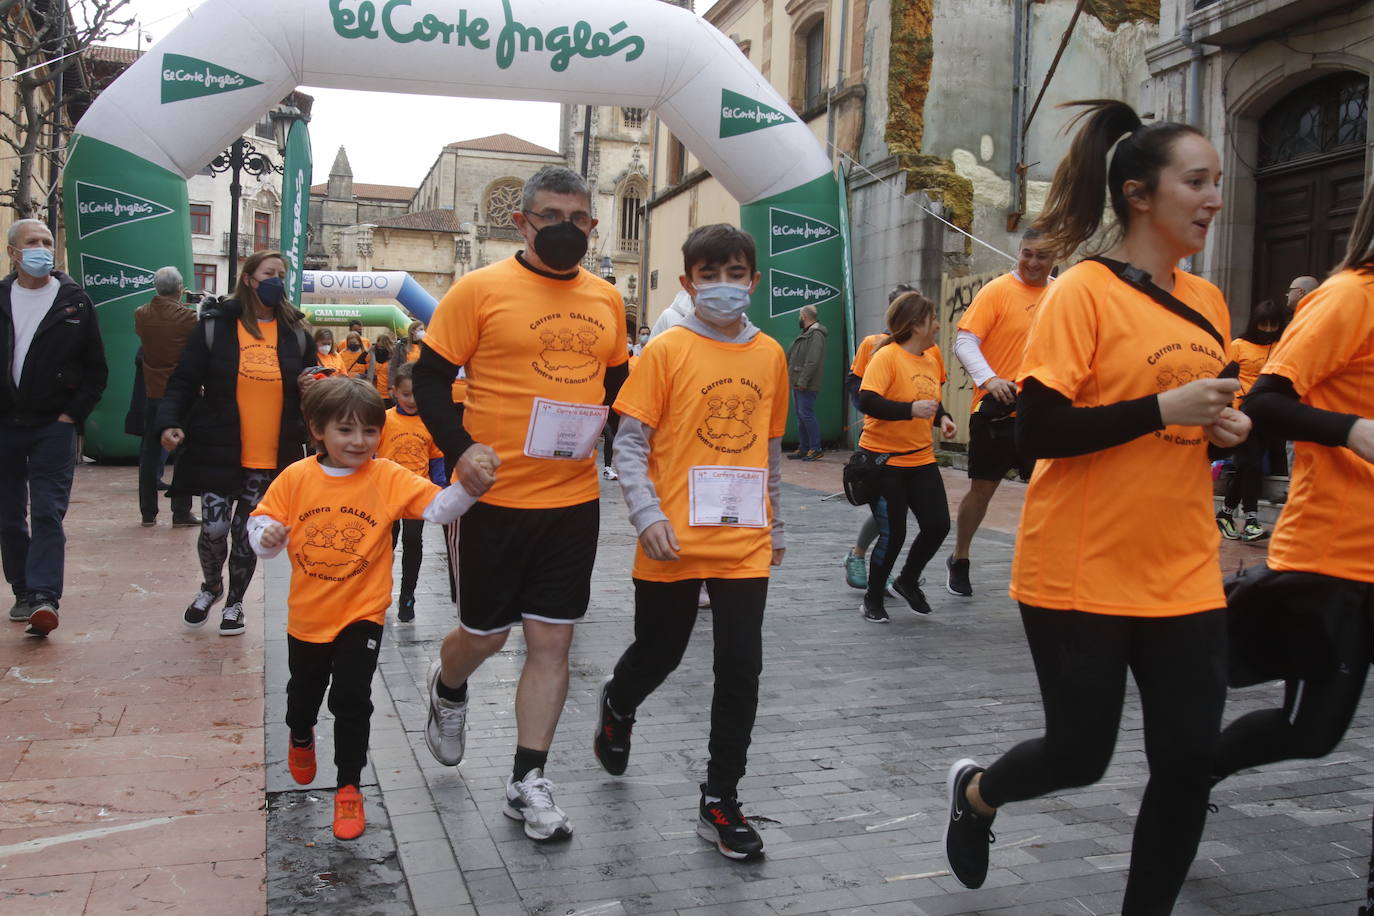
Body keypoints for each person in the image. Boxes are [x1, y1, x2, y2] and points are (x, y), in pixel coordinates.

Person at [941, 100, 1248, 914]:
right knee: (1081, 756)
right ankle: (976, 795)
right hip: (1081, 568)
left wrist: (1224, 429)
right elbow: (1039, 434)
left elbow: (1189, 427)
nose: (1214, 197)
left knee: (1187, 764)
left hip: (1183, 567)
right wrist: (1164, 409)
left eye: (1218, 181)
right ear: (1140, 193)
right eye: (1197, 181)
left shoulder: (1209, 303)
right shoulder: (1081, 292)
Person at [411, 165, 629, 843]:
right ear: (523, 223)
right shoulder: (477, 290)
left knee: (552, 641)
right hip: (493, 499)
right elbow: (429, 377)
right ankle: (448, 686)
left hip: (572, 500)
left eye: (579, 219)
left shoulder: (607, 300)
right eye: (552, 217)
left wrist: (625, 446)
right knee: (486, 635)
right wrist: (460, 448)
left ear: (592, 226)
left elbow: (619, 382)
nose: (567, 229)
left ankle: (527, 780)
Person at [595, 224, 787, 860]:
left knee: (741, 667)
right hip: (670, 538)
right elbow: (629, 442)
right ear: (688, 283)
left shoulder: (771, 356)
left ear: (753, 281)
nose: (725, 287)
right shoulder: (667, 351)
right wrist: (645, 517)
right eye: (710, 275)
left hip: (743, 543)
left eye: (736, 274)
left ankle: (720, 798)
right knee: (660, 654)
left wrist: (776, 524)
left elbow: (769, 448)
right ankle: (619, 702)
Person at [248, 375, 473, 840]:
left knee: (352, 699)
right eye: (346, 430)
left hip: (362, 614)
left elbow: (440, 508)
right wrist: (266, 537)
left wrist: (470, 484)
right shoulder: (296, 477)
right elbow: (262, 526)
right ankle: (300, 733)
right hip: (308, 618)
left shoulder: (386, 477)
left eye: (370, 431)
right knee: (303, 696)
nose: (359, 441)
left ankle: (349, 788)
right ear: (318, 431)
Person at [1209, 180, 1374, 792]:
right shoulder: (1349, 296)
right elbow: (1267, 403)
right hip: (1342, 557)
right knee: (1312, 732)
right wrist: (1350, 429)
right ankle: (1192, 776)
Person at [159, 250, 315, 636]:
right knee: (213, 529)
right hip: (219, 449)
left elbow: (314, 383)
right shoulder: (216, 326)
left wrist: (312, 385)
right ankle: (211, 586)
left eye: (281, 274)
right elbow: (183, 379)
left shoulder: (296, 332)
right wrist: (168, 421)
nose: (276, 280)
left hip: (269, 455)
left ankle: (235, 603)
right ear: (248, 278)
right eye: (269, 273)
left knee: (247, 535)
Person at [0, 218, 107, 637]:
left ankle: (45, 596)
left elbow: (97, 368)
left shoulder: (75, 302)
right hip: (6, 424)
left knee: (47, 511)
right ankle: (23, 590)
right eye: (32, 242)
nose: (42, 248)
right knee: (9, 515)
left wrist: (71, 414)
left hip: (53, 427)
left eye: (46, 241)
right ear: (13, 252)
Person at [945, 230, 1053, 596]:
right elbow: (964, 340)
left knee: (1049, 494)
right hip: (995, 411)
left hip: (1042, 412)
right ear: (1018, 253)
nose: (1034, 263)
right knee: (982, 490)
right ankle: (960, 557)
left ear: (1056, 257)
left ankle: (1039, 566)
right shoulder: (998, 290)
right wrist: (989, 379)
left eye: (1042, 256)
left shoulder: (1062, 295)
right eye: (1027, 254)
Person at [855, 292, 956, 622]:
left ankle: (908, 580)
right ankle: (872, 598)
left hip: (921, 459)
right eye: (933, 318)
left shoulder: (930, 358)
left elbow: (929, 397)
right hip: (885, 463)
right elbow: (867, 401)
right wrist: (909, 410)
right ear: (916, 325)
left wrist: (943, 417)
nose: (938, 324)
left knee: (938, 524)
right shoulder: (886, 358)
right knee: (893, 533)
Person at [842, 283, 914, 592]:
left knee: (898, 510)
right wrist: (876, 408)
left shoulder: (923, 350)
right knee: (884, 509)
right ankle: (860, 556)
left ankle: (881, 567)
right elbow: (855, 384)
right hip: (877, 444)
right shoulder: (873, 344)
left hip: (911, 447)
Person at [378, 360, 445, 622]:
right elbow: (370, 454)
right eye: (406, 394)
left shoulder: (429, 421)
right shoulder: (384, 420)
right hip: (386, 496)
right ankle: (381, 594)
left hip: (416, 495)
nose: (413, 399)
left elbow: (437, 457)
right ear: (394, 391)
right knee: (385, 546)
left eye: (418, 393)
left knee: (413, 544)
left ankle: (408, 595)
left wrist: (440, 489)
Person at [1216, 298, 1287, 542]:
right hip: (1242, 413)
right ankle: (1251, 520)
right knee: (1252, 465)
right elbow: (1223, 377)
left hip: (1270, 414)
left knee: (1248, 465)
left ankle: (1225, 514)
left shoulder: (1283, 345)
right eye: (1263, 324)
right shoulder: (1239, 345)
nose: (1268, 330)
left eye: (1273, 325)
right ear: (1255, 323)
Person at [133, 266, 199, 529]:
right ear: (181, 289)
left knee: (149, 452)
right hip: (181, 394)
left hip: (152, 392)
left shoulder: (141, 315)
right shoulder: (189, 318)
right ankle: (180, 511)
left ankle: (147, 512)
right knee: (184, 453)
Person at [786, 304, 827, 460]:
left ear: (804, 317)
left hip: (805, 383)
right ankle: (803, 448)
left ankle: (815, 448)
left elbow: (812, 361)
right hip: (798, 381)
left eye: (799, 316)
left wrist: (803, 381)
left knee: (806, 414)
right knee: (801, 415)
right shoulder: (806, 333)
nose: (799, 319)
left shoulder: (815, 335)